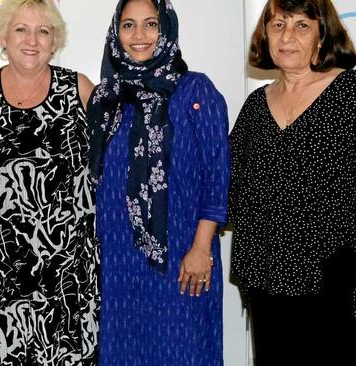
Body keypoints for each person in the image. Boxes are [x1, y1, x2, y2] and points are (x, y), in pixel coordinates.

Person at [230, 0, 356, 364]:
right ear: (265, 37)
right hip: (268, 281)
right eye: (277, 26)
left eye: (301, 26)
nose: (287, 36)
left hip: (340, 280)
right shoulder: (254, 107)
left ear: (322, 36)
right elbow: (230, 190)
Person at [87, 0, 230, 365]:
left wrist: (201, 248)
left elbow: (217, 175)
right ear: (115, 32)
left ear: (166, 30)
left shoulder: (196, 90)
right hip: (119, 263)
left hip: (182, 258)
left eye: (150, 25)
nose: (139, 36)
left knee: (184, 352)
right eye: (129, 25)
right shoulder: (107, 98)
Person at [0, 0, 99, 364]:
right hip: (1, 272)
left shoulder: (81, 90)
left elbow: (111, 171)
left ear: (55, 41)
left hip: (69, 272)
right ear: (4, 36)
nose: (32, 40)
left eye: (43, 31)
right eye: (21, 29)